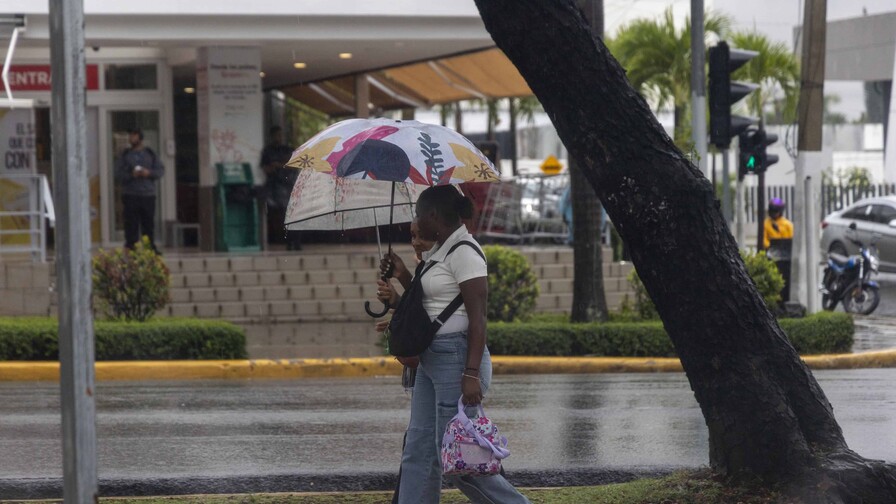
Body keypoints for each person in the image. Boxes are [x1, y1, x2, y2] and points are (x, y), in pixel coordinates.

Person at [378, 185, 530, 504]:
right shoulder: (440, 250)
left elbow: (478, 318)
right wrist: (403, 275)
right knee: (419, 450)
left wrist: (471, 373)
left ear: (433, 215)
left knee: (461, 462)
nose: (416, 222)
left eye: (419, 214)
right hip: (431, 358)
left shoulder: (465, 252)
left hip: (456, 358)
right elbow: (432, 303)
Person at [114, 128, 164, 251]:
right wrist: (131, 175)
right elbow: (118, 174)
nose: (131, 138)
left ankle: (149, 248)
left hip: (147, 195)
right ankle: (131, 248)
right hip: (130, 194)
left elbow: (160, 171)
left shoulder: (150, 154)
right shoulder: (125, 155)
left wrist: (148, 173)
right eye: (130, 136)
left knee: (148, 224)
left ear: (140, 138)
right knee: (131, 224)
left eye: (134, 136)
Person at [260, 126, 300, 250]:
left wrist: (280, 165)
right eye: (277, 135)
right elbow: (265, 168)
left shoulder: (288, 150)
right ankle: (287, 241)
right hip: (275, 186)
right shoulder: (268, 151)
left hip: (289, 184)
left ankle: (295, 241)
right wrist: (274, 167)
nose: (279, 138)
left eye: (280, 135)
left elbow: (296, 165)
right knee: (281, 215)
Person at [764, 197, 795, 303]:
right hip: (771, 254)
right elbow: (764, 240)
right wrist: (770, 247)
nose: (774, 214)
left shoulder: (788, 224)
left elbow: (791, 239)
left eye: (775, 211)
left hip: (786, 256)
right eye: (772, 211)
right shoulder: (766, 223)